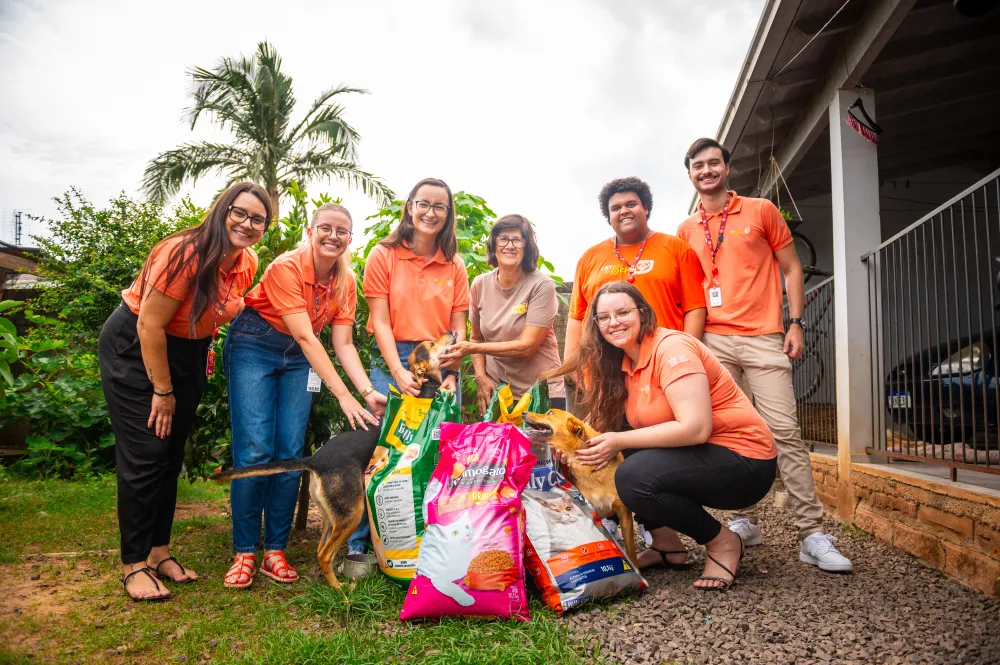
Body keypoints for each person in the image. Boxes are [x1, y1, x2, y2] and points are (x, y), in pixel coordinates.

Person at [676, 137, 853, 573]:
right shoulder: (685, 228)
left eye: (713, 163)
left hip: (762, 336)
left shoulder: (761, 210)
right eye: (698, 166)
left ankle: (810, 533)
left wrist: (796, 322)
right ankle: (744, 521)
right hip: (713, 343)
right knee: (730, 438)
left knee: (784, 432)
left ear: (727, 168)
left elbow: (792, 267)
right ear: (690, 174)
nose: (706, 171)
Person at [98, 182, 269, 601]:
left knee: (171, 454)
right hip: (138, 349)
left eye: (258, 219)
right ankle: (133, 564)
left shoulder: (246, 260)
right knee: (147, 454)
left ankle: (158, 552)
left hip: (189, 352)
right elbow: (148, 325)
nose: (247, 224)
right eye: (239, 213)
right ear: (221, 210)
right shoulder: (184, 252)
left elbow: (223, 307)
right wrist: (162, 390)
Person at [550, 282, 777, 590]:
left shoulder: (672, 350)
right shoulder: (624, 360)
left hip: (744, 461)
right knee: (617, 452)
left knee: (631, 473)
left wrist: (618, 441)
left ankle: (723, 542)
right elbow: (597, 427)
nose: (613, 322)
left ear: (643, 313)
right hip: (706, 455)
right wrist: (573, 449)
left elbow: (696, 428)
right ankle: (666, 544)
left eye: (622, 312)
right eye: (603, 317)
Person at [221, 203, 386, 589]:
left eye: (341, 231)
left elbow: (342, 343)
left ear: (350, 239)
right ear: (311, 232)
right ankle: (245, 551)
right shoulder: (286, 267)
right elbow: (307, 336)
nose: (332, 236)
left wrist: (366, 393)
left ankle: (274, 551)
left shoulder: (346, 281)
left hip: (298, 358)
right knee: (256, 448)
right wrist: (343, 397)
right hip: (255, 343)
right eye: (324, 228)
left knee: (291, 450)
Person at [350, 177, 470, 555]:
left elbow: (457, 327)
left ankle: (429, 539)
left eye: (440, 206)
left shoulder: (454, 264)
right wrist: (398, 371)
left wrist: (451, 374)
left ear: (448, 214)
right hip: (393, 355)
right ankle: (362, 543)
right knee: (382, 445)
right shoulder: (383, 255)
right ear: (410, 206)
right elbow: (381, 321)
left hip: (439, 357)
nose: (431, 212)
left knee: (436, 446)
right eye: (424, 204)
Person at [564, 176, 707, 365]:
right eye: (616, 208)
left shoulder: (677, 248)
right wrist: (573, 366)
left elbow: (695, 308)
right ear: (609, 217)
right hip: (605, 368)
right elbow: (577, 317)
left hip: (664, 361)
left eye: (631, 204)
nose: (624, 211)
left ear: (646, 208)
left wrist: (686, 356)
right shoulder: (589, 258)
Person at [438, 214, 566, 413]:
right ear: (494, 244)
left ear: (527, 246)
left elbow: (527, 346)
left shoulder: (541, 285)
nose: (510, 245)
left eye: (517, 239)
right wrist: (481, 377)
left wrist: (470, 348)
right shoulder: (480, 284)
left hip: (541, 393)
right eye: (503, 238)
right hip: (499, 391)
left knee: (541, 446)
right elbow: (477, 337)